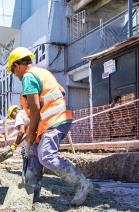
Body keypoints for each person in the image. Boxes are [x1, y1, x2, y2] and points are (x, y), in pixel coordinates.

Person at [7, 47, 94, 206]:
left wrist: (31, 132)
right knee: (33, 152)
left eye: (13, 71)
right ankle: (31, 191)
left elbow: (34, 109)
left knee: (46, 155)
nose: (16, 76)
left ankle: (82, 184)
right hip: (52, 121)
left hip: (54, 121)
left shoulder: (28, 77)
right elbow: (61, 91)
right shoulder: (44, 73)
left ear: (17, 65)